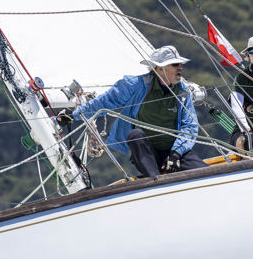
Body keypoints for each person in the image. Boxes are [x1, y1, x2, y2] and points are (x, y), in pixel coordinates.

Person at [66, 45, 207, 179]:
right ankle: (155, 181)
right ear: (159, 68)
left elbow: (189, 126)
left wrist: (176, 153)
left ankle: (164, 173)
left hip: (174, 151)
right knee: (135, 135)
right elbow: (105, 102)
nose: (181, 67)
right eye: (175, 64)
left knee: (206, 174)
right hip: (145, 152)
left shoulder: (183, 92)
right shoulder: (135, 85)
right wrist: (74, 115)